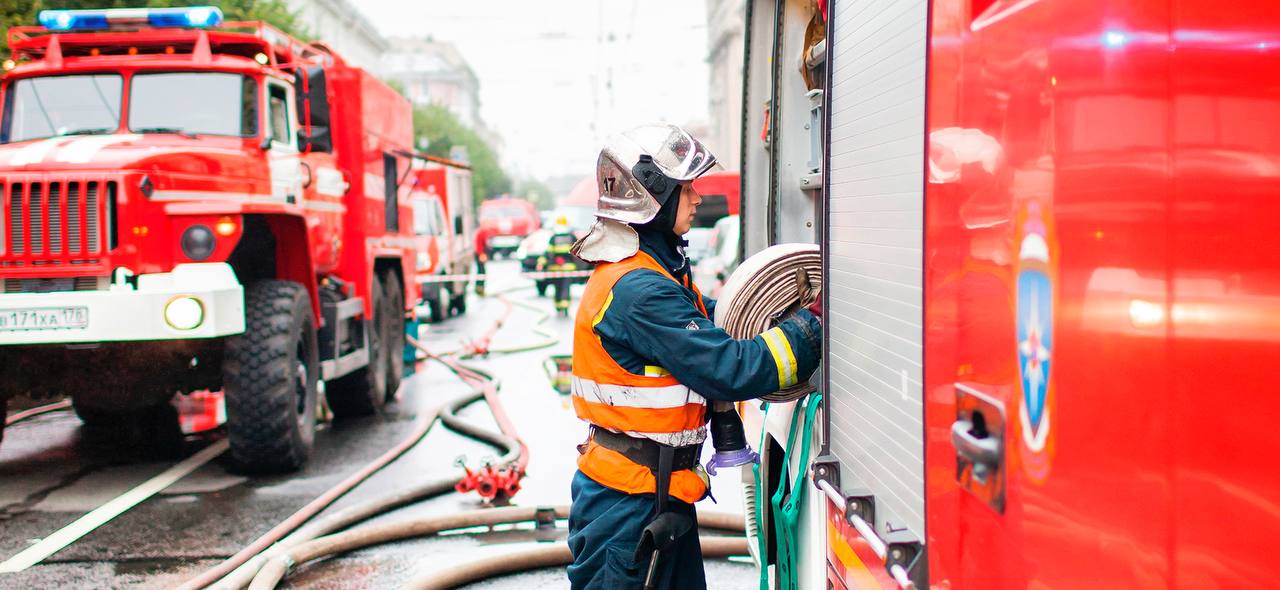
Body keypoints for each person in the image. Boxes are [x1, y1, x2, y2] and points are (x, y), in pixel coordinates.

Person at [566, 124, 822, 590]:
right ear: (655, 197)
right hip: (629, 503)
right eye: (687, 188)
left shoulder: (656, 274)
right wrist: (814, 323)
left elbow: (709, 337)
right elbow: (732, 369)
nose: (698, 198)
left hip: (655, 492)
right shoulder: (639, 290)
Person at [540, 216, 581, 315]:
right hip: (568, 268)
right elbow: (577, 252)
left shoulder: (554, 238)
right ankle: (564, 306)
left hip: (555, 269)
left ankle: (559, 306)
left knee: (558, 287)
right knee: (565, 287)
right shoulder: (571, 237)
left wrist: (542, 263)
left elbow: (548, 253)